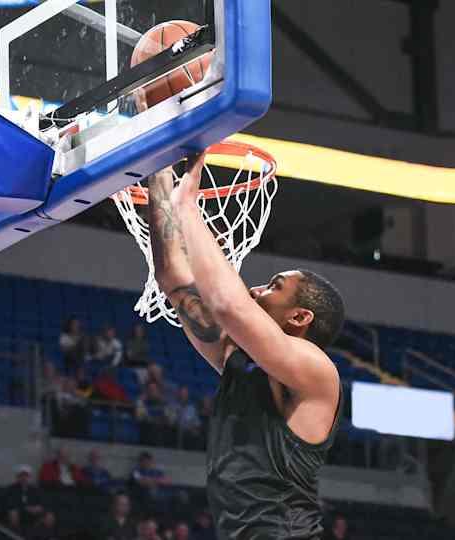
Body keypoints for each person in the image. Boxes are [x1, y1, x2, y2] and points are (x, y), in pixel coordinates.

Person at [145, 151, 344, 540]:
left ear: (300, 317)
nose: (258, 289)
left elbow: (228, 305)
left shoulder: (316, 370)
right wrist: (158, 168)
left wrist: (188, 206)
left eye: (275, 287)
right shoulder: (240, 360)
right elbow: (172, 277)